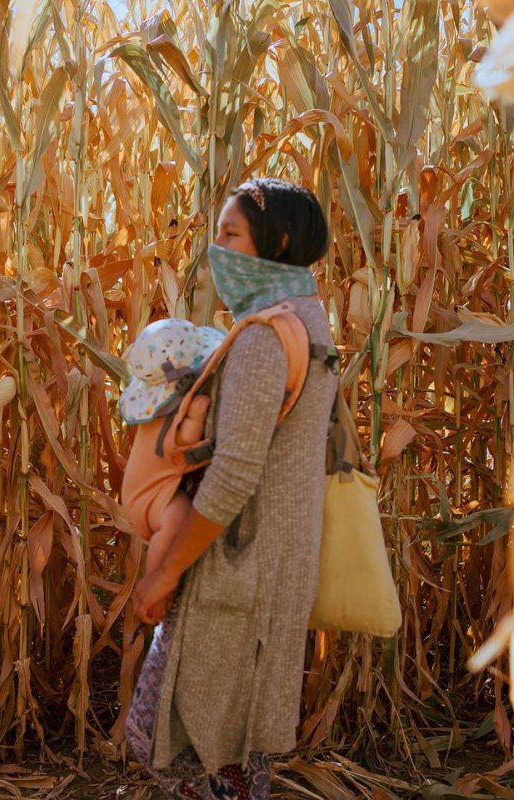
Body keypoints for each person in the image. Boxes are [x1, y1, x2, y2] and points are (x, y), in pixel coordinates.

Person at [124, 178, 337, 800]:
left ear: (282, 241)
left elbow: (236, 474)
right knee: (239, 752)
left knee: (195, 744)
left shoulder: (265, 338)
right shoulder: (310, 323)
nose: (216, 249)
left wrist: (162, 574)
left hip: (242, 564)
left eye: (231, 234)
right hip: (278, 560)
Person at [118, 318, 221, 577]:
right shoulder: (172, 417)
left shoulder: (157, 410)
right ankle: (157, 576)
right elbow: (181, 446)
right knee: (177, 518)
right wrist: (196, 418)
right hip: (148, 498)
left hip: (141, 489)